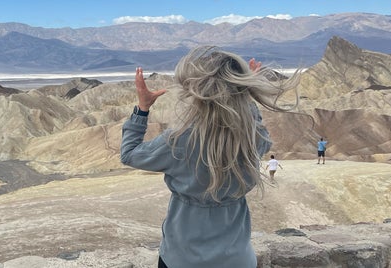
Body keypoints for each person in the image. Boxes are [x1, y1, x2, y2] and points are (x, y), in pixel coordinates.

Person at [120, 46, 300, 268]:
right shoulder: (254, 136)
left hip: (182, 260)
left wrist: (142, 109)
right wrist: (245, 91)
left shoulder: (179, 141)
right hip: (239, 261)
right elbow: (252, 121)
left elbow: (129, 155)